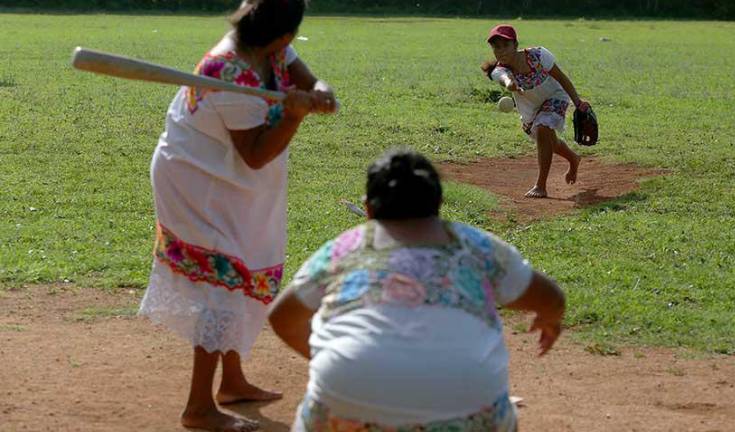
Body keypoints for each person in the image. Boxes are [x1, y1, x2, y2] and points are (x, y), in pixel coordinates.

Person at [138, 0, 337, 430]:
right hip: (197, 181)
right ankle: (198, 407)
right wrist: (294, 114)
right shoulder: (229, 71)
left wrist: (320, 90)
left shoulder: (273, 49)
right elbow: (256, 154)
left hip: (227, 179)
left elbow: (305, 76)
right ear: (282, 34)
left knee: (243, 268)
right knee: (222, 279)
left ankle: (232, 381)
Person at [269, 149, 566, 431]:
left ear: (368, 208)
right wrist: (549, 318)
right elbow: (550, 297)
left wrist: (340, 359)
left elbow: (281, 317)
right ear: (437, 205)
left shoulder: (344, 249)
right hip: (468, 408)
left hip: (345, 406)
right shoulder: (478, 246)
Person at [481, 24, 591, 199]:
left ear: (515, 45)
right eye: (496, 47)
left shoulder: (539, 55)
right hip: (531, 107)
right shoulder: (499, 70)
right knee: (548, 141)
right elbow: (504, 79)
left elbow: (561, 77)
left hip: (555, 96)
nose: (501, 51)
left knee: (543, 128)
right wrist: (510, 84)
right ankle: (573, 158)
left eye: (505, 46)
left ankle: (540, 185)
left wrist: (577, 101)